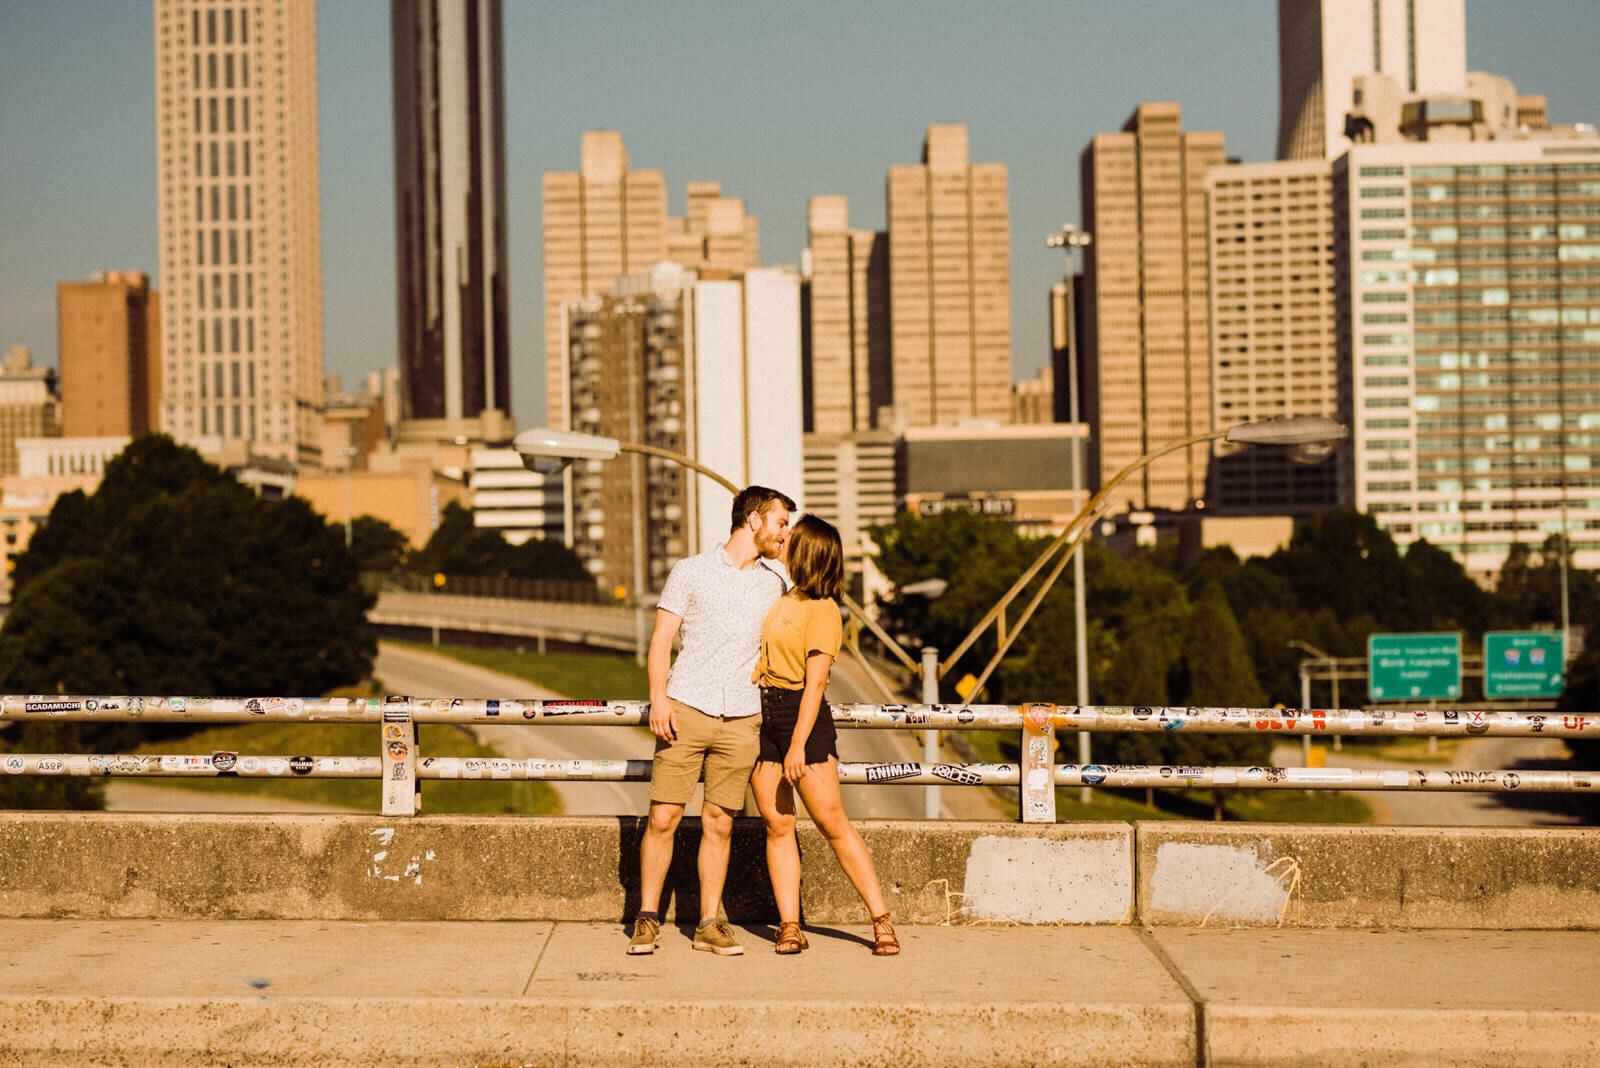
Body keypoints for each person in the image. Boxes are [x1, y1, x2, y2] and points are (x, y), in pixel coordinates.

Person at [627, 485, 795, 957]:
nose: (785, 533)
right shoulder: (691, 571)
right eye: (781, 523)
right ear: (754, 520)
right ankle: (647, 917)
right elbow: (662, 639)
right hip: (685, 709)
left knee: (719, 822)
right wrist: (658, 699)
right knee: (663, 816)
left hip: (743, 718)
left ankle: (708, 922)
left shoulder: (776, 582)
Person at [751, 514, 899, 956]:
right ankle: (790, 925)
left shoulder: (823, 609)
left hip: (803, 718)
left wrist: (797, 744)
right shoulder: (785, 596)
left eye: (791, 537)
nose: (784, 538)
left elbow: (816, 684)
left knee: (832, 823)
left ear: (809, 552)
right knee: (778, 825)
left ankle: (880, 920)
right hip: (766, 714)